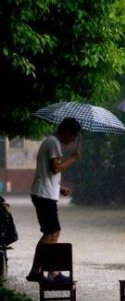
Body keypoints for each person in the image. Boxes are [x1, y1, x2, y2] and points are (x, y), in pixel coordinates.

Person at [26, 117, 81, 282]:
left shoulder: (51, 142)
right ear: (67, 131)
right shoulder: (53, 142)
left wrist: (58, 188)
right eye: (73, 136)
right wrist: (73, 158)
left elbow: (48, 173)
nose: (72, 140)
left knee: (54, 232)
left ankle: (51, 270)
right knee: (50, 232)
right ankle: (37, 270)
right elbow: (55, 167)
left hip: (46, 193)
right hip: (43, 195)